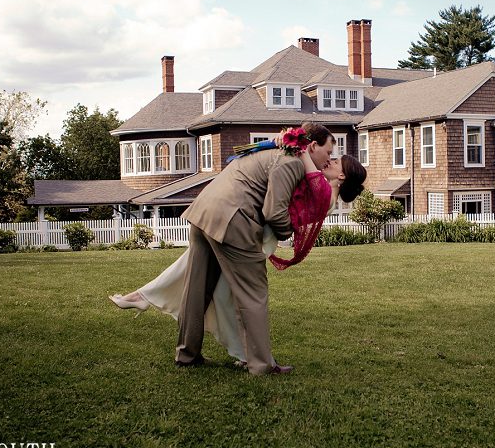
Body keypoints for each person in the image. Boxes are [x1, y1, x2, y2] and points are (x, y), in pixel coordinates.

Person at [111, 124, 366, 375]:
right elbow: (273, 212)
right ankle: (261, 365)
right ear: (312, 146)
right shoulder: (291, 162)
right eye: (329, 152)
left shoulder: (282, 153)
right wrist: (286, 231)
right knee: (253, 293)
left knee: (197, 288)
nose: (329, 159)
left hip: (204, 210)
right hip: (233, 218)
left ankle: (187, 354)